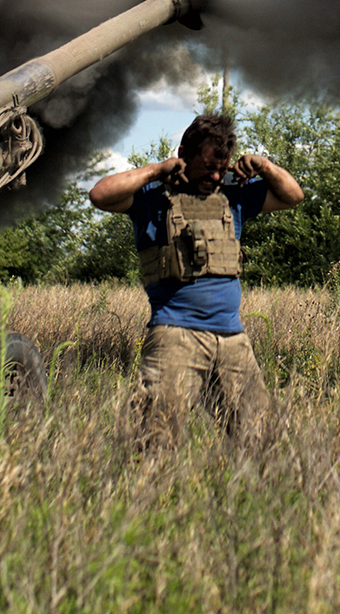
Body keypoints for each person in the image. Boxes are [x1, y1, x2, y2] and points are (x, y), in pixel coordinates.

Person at [88, 112, 303, 450]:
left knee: (262, 441)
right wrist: (157, 170)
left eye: (223, 167)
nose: (215, 175)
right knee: (155, 442)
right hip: (176, 337)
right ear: (184, 154)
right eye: (207, 166)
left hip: (232, 339)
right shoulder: (153, 197)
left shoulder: (233, 196)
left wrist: (264, 166)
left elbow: (293, 196)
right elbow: (100, 194)